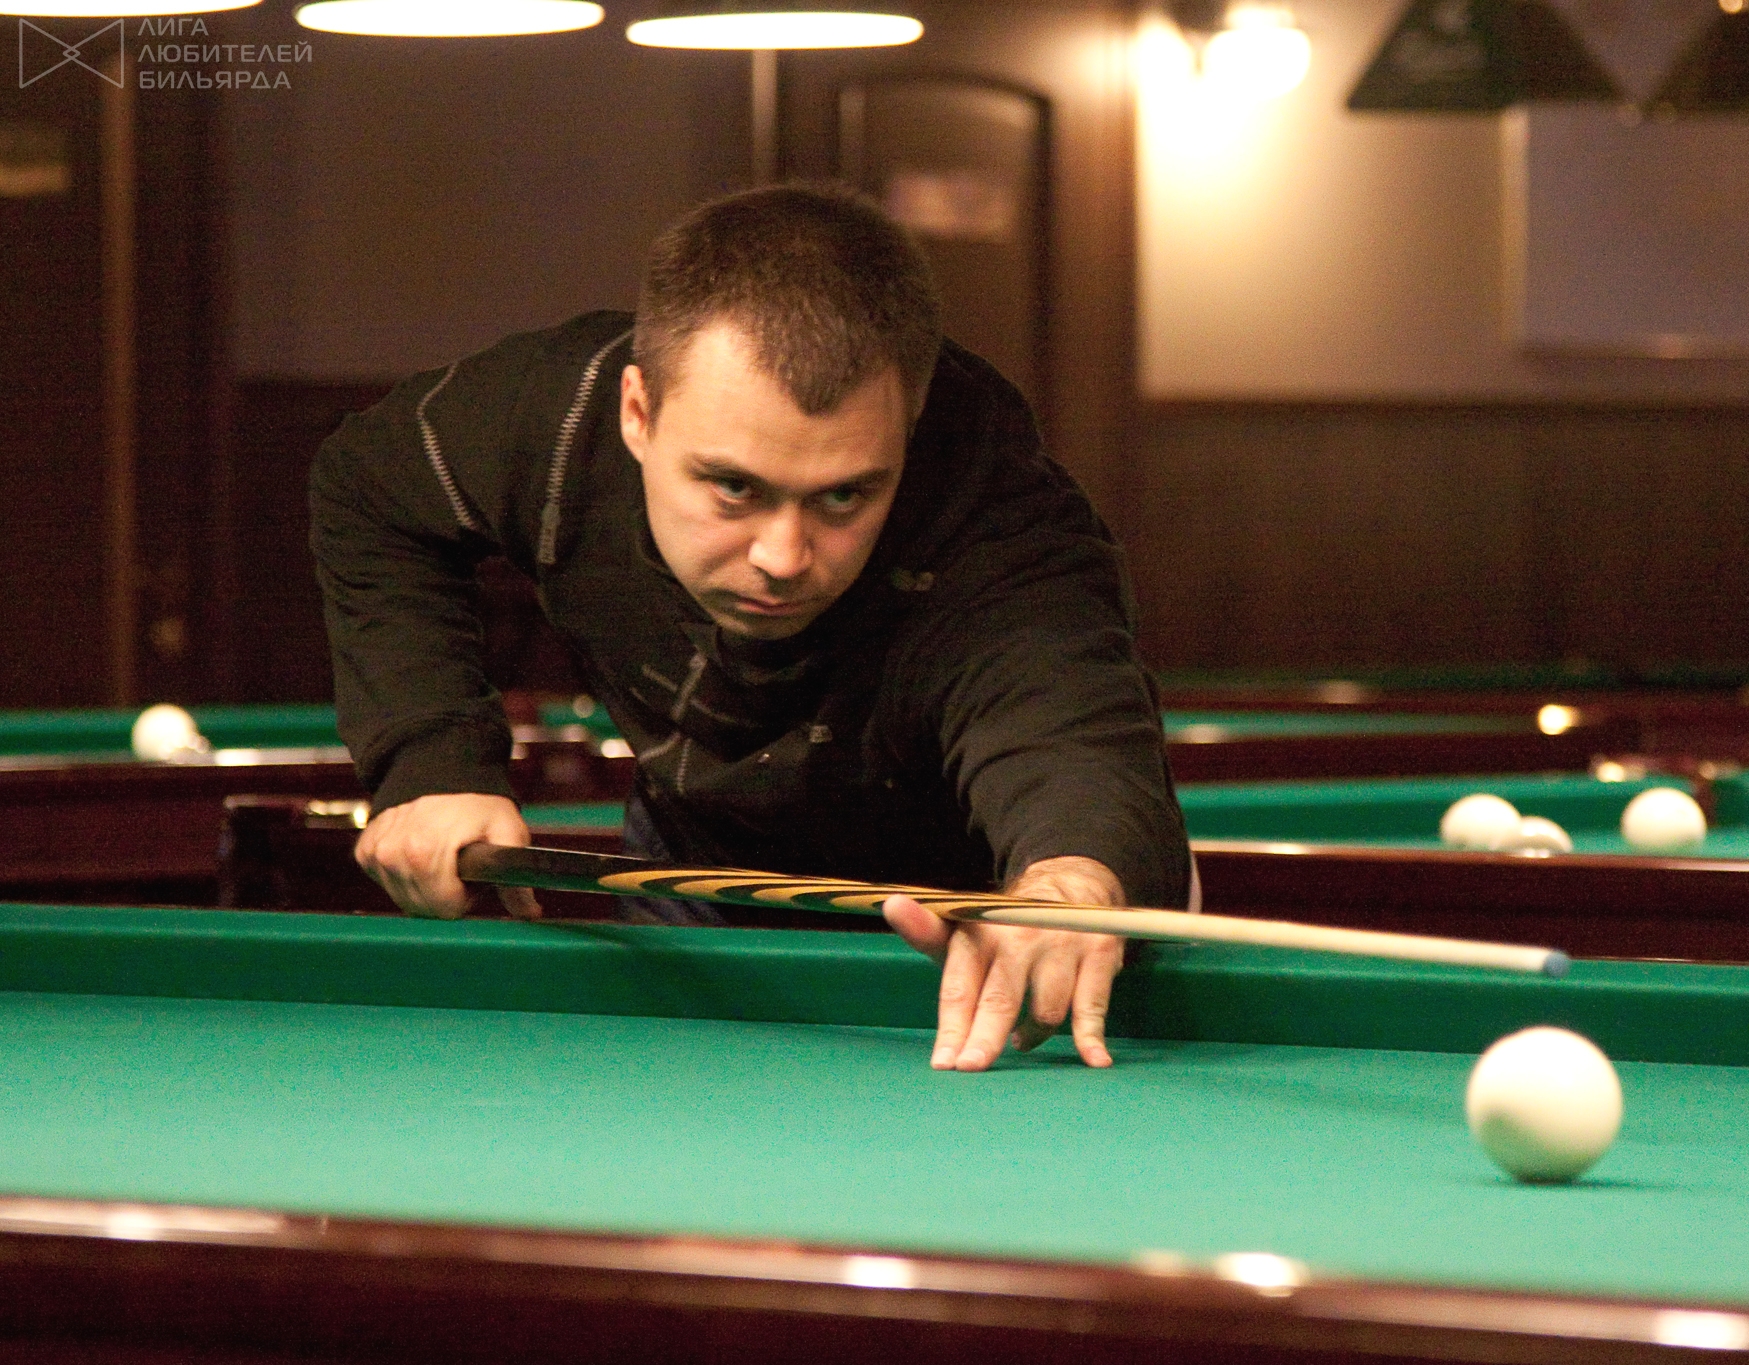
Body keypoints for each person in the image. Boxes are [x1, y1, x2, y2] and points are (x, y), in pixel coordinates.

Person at [312, 184, 1192, 1074]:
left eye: (843, 496)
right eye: (734, 487)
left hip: (973, 927)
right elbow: (371, 484)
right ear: (637, 412)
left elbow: (1072, 740)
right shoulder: (552, 419)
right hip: (692, 863)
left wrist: (1070, 882)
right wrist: (431, 763)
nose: (783, 556)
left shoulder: (1000, 526)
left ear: (911, 426)